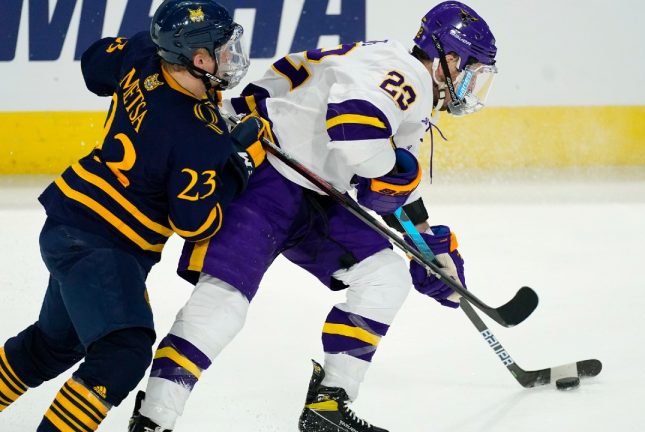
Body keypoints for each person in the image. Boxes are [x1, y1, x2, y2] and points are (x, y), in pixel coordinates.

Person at [130, 1, 498, 431]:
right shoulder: (406, 74)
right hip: (266, 175)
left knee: (384, 276)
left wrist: (424, 244)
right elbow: (357, 138)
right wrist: (389, 175)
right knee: (223, 302)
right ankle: (154, 419)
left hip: (315, 192)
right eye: (472, 72)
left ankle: (329, 407)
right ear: (449, 60)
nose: (472, 86)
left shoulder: (405, 82)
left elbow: (382, 183)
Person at [0, 0, 263, 430]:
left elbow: (93, 67)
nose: (231, 56)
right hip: (104, 246)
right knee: (123, 351)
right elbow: (195, 222)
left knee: (53, 345)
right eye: (221, 48)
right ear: (197, 58)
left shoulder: (145, 53)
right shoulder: (201, 139)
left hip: (69, 223)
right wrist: (238, 166)